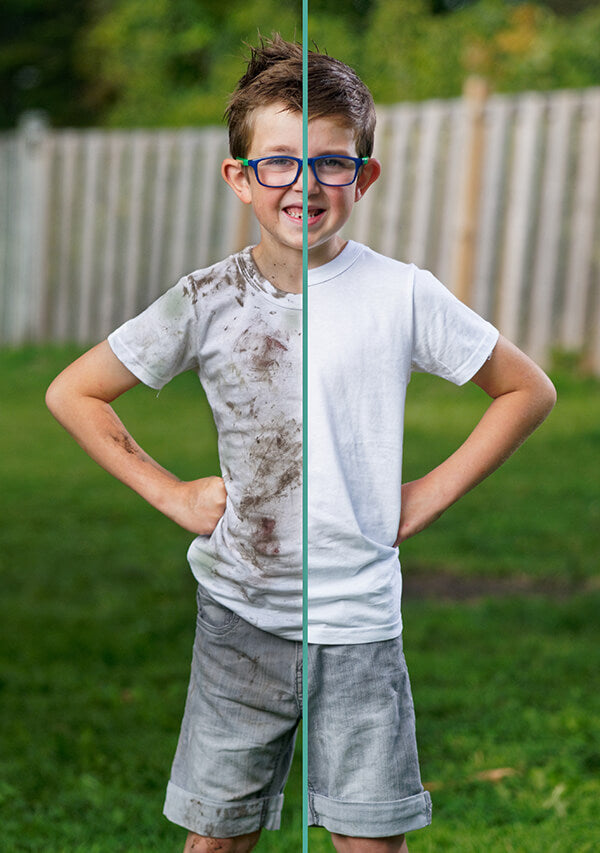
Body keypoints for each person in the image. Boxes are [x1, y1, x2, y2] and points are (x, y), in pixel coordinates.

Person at [46, 34, 556, 853]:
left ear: (365, 175)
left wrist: (424, 495)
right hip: (239, 617)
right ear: (240, 178)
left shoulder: (402, 294)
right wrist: (172, 493)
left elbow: (528, 388)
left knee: (369, 839)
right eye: (279, 162)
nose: (305, 183)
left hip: (360, 624)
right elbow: (73, 391)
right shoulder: (204, 299)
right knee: (218, 835)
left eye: (331, 163)